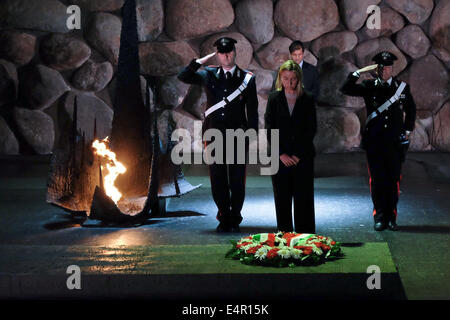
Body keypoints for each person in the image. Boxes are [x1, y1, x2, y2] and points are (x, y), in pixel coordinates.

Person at [177, 37, 258, 233]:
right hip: (214, 133)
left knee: (237, 178)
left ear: (235, 52)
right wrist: (199, 62)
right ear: (218, 54)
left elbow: (252, 110)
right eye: (222, 52)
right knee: (218, 176)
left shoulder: (247, 78)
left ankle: (235, 216)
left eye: (229, 51)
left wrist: (251, 135)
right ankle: (223, 214)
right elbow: (184, 76)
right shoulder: (209, 74)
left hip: (238, 134)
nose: (226, 55)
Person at [340, 51, 416, 231]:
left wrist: (407, 130)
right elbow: (346, 89)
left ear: (392, 68)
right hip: (375, 141)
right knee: (377, 180)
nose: (384, 70)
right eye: (381, 67)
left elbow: (410, 110)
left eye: (388, 67)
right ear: (376, 69)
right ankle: (380, 216)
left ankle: (392, 217)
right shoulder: (369, 86)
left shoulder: (401, 88)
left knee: (393, 180)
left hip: (394, 142)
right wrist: (359, 72)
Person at [265, 60, 317, 233]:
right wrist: (281, 155)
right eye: (286, 78)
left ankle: (306, 239)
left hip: (303, 158)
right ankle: (285, 238)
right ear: (281, 78)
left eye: (293, 79)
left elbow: (311, 129)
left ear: (299, 79)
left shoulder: (308, 99)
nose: (290, 82)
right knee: (282, 200)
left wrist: (298, 154)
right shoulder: (273, 99)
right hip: (279, 159)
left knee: (304, 200)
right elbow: (270, 128)